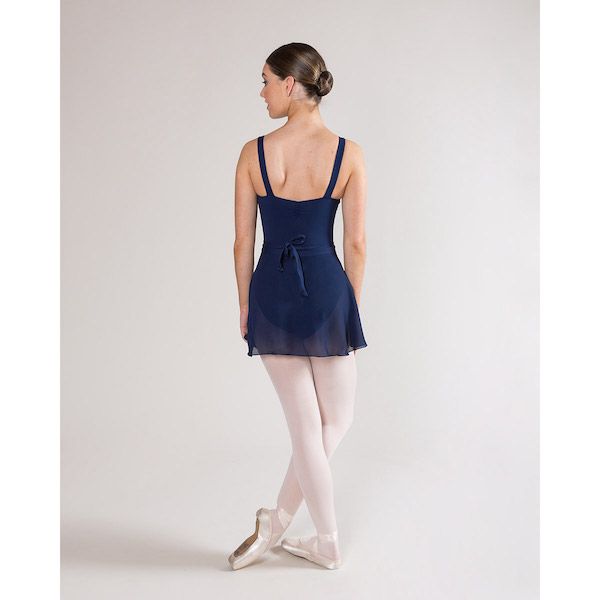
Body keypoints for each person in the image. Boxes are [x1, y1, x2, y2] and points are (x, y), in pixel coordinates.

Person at [230, 42, 368, 570]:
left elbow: (243, 243)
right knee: (335, 421)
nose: (261, 91)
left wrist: (245, 304)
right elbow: (356, 244)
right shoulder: (348, 153)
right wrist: (349, 304)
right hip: (328, 290)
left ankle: (278, 521)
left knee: (308, 426)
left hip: (271, 291)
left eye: (266, 81)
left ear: (290, 84)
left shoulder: (253, 153)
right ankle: (323, 539)